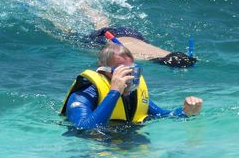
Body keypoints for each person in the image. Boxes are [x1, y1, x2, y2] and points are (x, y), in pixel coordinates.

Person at [61, 41, 202, 130]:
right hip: (95, 151)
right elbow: (83, 128)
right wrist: (115, 91)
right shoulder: (85, 93)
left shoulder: (134, 92)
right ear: (104, 71)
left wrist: (187, 111)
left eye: (133, 71)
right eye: (122, 71)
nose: (129, 78)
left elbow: (163, 115)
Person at [73, 4, 197, 68]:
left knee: (102, 22)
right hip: (111, 38)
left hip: (133, 35)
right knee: (70, 35)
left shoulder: (171, 53)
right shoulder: (145, 58)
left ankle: (86, 7)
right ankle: (83, 7)